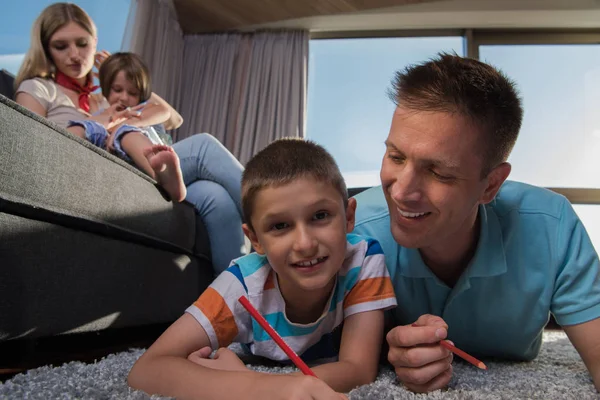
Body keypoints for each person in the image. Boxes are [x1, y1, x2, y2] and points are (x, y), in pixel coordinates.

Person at [351, 53, 600, 393]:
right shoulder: (354, 229)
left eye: (438, 172)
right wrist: (380, 350)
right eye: (396, 156)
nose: (401, 191)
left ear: (491, 185)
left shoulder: (551, 225)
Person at [127, 138, 398, 399]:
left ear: (349, 216)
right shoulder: (241, 283)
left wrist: (252, 382)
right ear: (255, 239)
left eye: (320, 216)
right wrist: (255, 389)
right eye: (280, 226)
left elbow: (358, 370)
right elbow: (146, 369)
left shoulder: (363, 259)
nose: (304, 244)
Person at [14, 2, 246, 273]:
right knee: (203, 146)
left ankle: (235, 302)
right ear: (46, 49)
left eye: (82, 43)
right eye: (61, 46)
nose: (75, 55)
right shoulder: (39, 88)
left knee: (215, 196)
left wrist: (117, 71)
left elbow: (171, 116)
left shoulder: (104, 96)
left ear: (95, 42)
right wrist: (98, 122)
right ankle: (278, 211)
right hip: (111, 171)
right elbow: (30, 145)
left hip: (140, 171)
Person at [67, 51, 186, 202]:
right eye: (117, 90)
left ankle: (163, 174)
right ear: (106, 88)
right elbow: (88, 127)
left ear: (140, 95)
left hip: (145, 151)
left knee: (126, 133)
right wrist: (107, 120)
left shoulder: (140, 110)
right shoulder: (102, 112)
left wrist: (126, 123)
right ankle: (163, 173)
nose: (124, 97)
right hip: (117, 154)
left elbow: (164, 111)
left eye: (132, 93)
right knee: (87, 127)